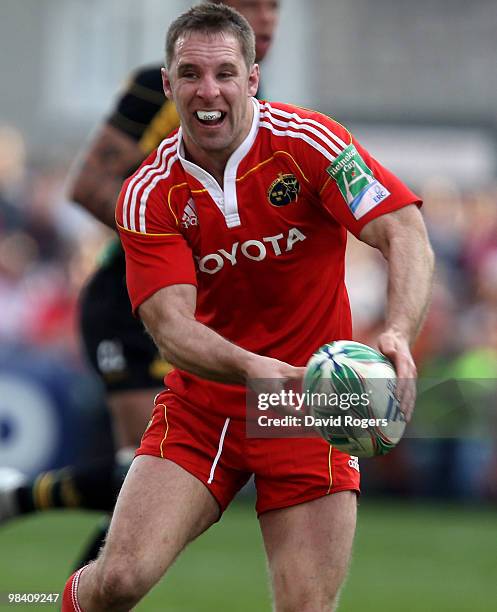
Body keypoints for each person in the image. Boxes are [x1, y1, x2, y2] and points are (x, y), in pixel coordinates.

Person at [61, 3, 434, 610]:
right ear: (167, 83)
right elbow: (173, 328)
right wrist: (257, 369)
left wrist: (397, 332)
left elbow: (403, 229)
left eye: (224, 74)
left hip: (313, 405)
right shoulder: (146, 194)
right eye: (190, 74)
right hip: (204, 408)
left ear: (251, 80)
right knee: (120, 579)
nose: (208, 92)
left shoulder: (313, 143)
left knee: (305, 607)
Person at [0, 0, 280, 568]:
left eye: (275, 6)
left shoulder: (261, 112)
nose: (268, 18)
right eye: (252, 4)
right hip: (129, 301)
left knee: (155, 482)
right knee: (144, 473)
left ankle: (20, 501)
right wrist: (175, 249)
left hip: (201, 312)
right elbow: (87, 185)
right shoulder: (162, 92)